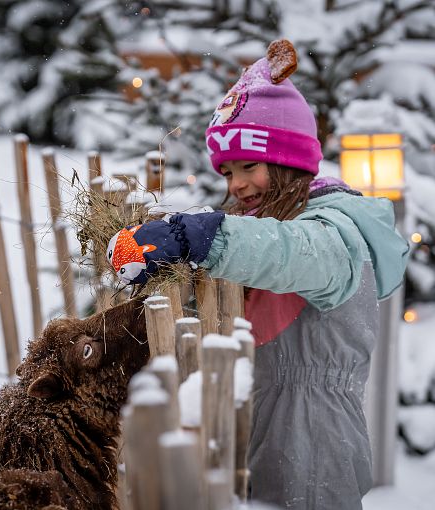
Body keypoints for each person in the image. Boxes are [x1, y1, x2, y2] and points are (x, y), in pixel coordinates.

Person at [105, 40, 409, 510]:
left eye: (249, 166)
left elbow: (288, 253)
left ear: (289, 163)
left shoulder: (334, 233)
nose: (237, 184)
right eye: (228, 172)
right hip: (268, 429)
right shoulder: (278, 224)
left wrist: (203, 237)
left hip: (315, 441)